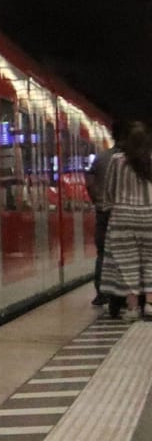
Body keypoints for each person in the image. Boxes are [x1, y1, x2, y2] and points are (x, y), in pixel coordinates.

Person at [98, 120, 152, 320]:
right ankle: (149, 304)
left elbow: (109, 190)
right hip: (150, 216)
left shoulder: (118, 160)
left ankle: (131, 308)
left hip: (122, 217)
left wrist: (108, 206)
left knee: (127, 262)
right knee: (150, 260)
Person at [90, 123, 122, 306]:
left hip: (104, 212)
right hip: (127, 213)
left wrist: (98, 201)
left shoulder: (101, 158)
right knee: (127, 255)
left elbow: (89, 181)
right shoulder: (136, 160)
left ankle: (101, 293)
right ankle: (125, 296)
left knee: (103, 253)